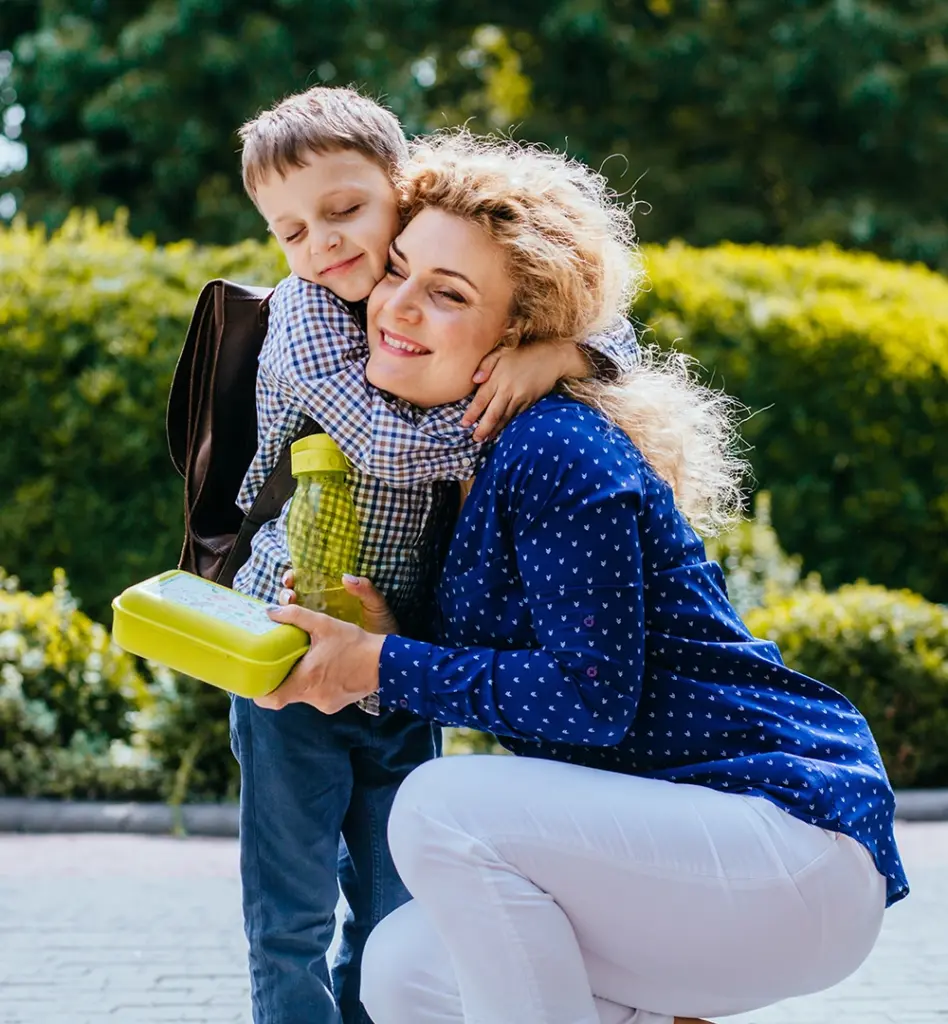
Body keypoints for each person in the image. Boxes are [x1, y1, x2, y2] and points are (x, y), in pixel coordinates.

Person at [261, 131, 909, 1024]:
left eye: (447, 295)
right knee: (405, 965)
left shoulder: (555, 447)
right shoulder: (479, 455)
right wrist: (393, 640)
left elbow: (591, 698)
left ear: (517, 334)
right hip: (701, 845)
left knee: (439, 806)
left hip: (790, 837)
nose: (395, 306)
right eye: (398, 270)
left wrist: (378, 665)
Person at [230, 87, 640, 1024]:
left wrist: (563, 354)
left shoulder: (431, 272)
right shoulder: (302, 320)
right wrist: (510, 395)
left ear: (403, 191)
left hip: (401, 650)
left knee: (394, 895)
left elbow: (606, 319)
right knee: (288, 903)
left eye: (345, 211)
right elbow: (385, 442)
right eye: (290, 230)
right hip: (288, 645)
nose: (322, 244)